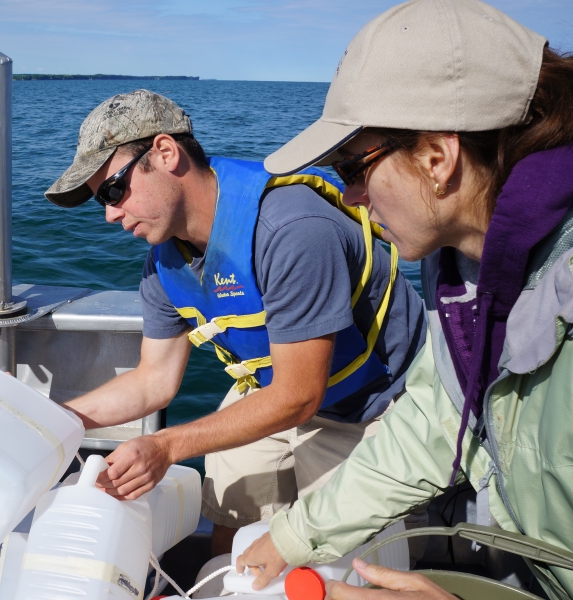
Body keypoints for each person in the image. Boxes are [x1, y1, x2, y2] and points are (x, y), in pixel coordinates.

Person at [237, 0, 573, 598]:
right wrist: (292, 537)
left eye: (352, 168)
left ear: (438, 158)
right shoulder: (464, 275)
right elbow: (432, 425)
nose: (352, 199)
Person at [44, 89, 427, 555]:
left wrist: (165, 447)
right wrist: (57, 421)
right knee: (230, 516)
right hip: (272, 392)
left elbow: (298, 395)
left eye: (113, 189)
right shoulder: (165, 265)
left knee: (340, 563)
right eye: (99, 200)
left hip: (370, 406)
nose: (109, 213)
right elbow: (153, 381)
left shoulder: (291, 232)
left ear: (165, 153)